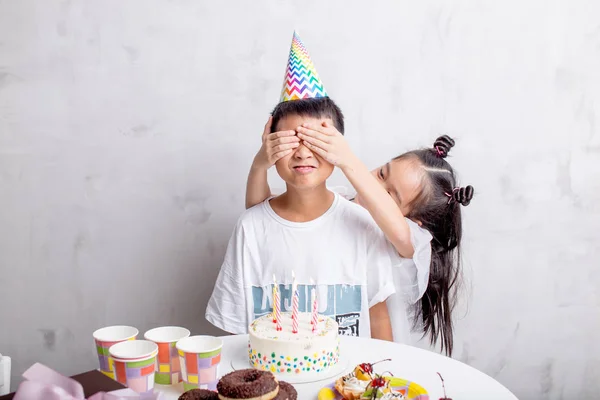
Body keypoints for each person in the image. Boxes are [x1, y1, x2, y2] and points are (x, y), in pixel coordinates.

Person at [246, 123, 474, 356]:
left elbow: (400, 233)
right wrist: (259, 166)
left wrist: (347, 160)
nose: (373, 185)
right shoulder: (339, 201)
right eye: (382, 174)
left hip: (365, 353)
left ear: (413, 221)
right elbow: (260, 211)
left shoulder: (404, 239)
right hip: (307, 339)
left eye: (389, 194)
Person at [206, 97, 399, 340]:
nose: (303, 153)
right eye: (291, 141)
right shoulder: (251, 228)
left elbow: (377, 316)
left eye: (315, 140)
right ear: (270, 146)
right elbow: (233, 327)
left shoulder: (363, 224)